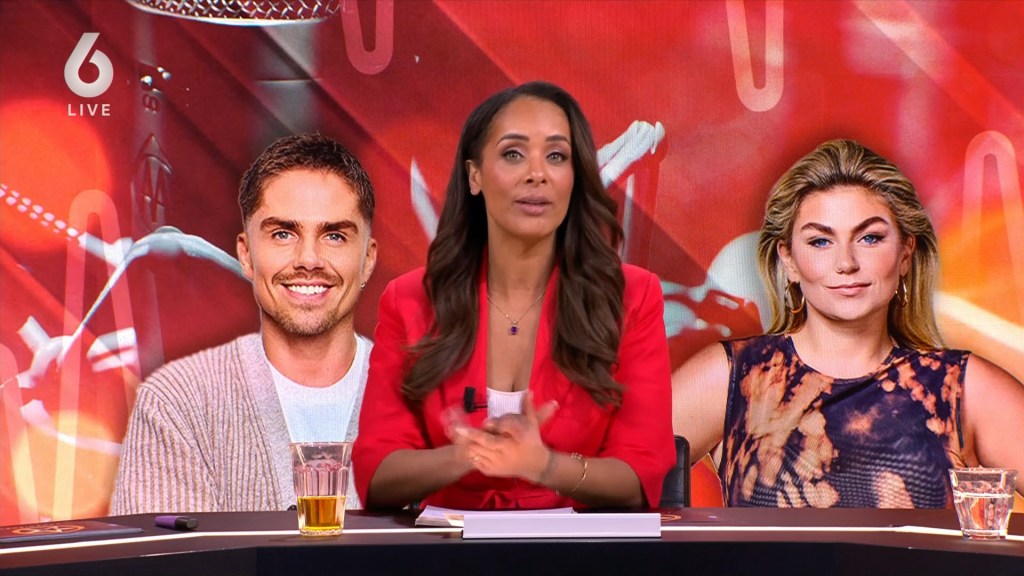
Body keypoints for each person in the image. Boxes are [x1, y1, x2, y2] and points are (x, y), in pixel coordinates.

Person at [353, 81, 674, 510]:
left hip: (577, 547)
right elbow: (376, 477)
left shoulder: (632, 297)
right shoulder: (410, 300)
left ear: (575, 178)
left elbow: (641, 478)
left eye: (556, 156)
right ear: (475, 176)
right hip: (448, 546)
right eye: (513, 154)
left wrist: (544, 466)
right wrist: (467, 455)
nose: (536, 174)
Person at [672, 139, 1024, 508]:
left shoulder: (962, 388)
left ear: (906, 253)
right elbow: (627, 511)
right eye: (820, 242)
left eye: (870, 238)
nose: (846, 263)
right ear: (789, 261)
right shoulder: (733, 378)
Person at [109, 133, 378, 513]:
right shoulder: (178, 401)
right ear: (246, 255)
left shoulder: (426, 395)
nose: (308, 259)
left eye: (334, 235)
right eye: (283, 234)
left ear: (367, 259)